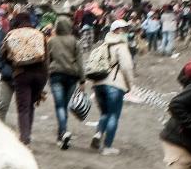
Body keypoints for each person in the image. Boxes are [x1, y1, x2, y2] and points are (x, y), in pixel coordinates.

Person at [0, 13, 49, 145]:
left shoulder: (12, 34)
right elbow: (46, 58)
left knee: (23, 107)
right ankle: (28, 134)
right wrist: (44, 80)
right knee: (31, 105)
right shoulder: (39, 34)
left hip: (21, 74)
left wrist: (13, 62)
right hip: (39, 74)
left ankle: (24, 137)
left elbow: (3, 55)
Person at [91, 19, 135, 155]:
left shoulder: (102, 45)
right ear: (115, 31)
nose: (125, 32)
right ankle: (107, 147)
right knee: (113, 115)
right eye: (123, 29)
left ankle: (98, 133)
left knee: (105, 113)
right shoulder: (121, 46)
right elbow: (127, 67)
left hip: (98, 84)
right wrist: (130, 86)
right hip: (115, 85)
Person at [47, 15, 84, 149]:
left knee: (59, 106)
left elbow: (47, 61)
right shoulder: (74, 41)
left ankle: (62, 132)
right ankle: (62, 133)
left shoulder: (51, 41)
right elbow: (80, 62)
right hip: (71, 77)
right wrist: (82, 80)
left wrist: (46, 77)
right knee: (66, 106)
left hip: (56, 75)